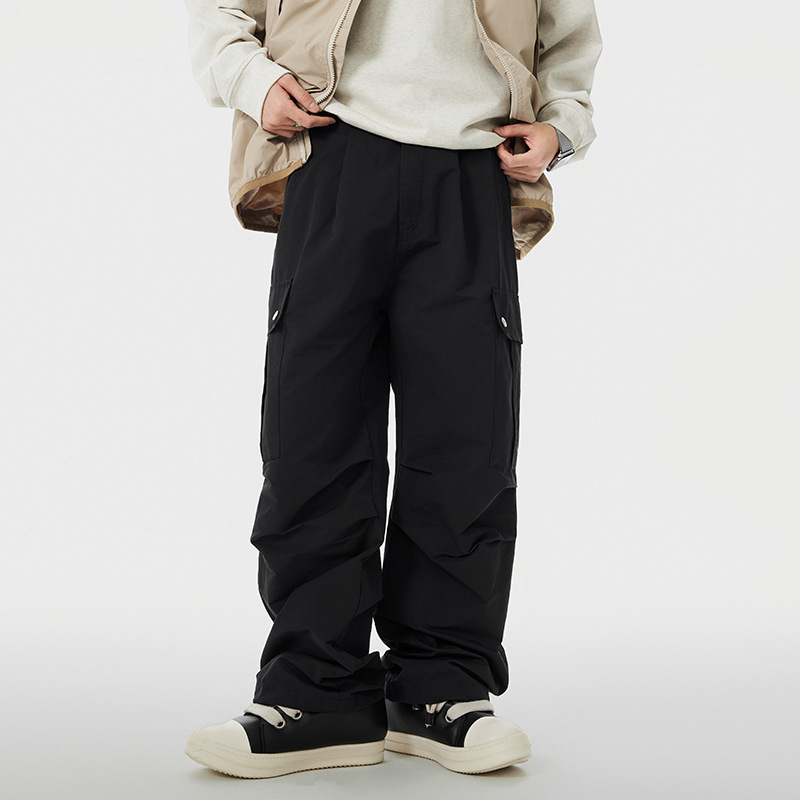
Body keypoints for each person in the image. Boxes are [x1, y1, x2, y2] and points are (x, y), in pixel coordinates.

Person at [181, 0, 601, 780]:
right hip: (327, 153)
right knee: (313, 433)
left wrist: (561, 126)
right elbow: (222, 13)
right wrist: (252, 80)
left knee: (465, 443)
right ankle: (315, 692)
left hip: (473, 168)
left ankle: (442, 688)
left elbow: (567, 34)